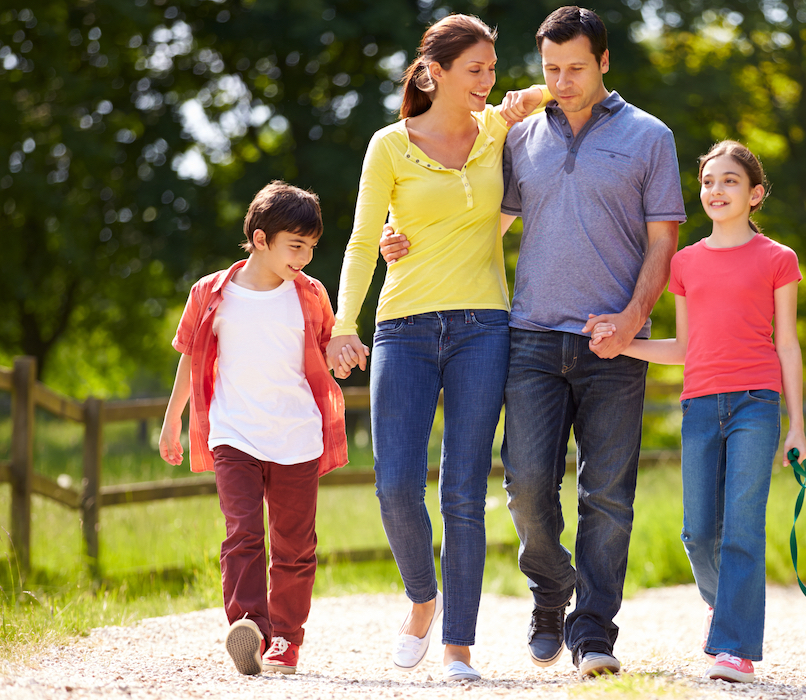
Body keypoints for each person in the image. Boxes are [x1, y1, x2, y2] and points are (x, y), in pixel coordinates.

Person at [381, 5, 685, 679]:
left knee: (607, 495)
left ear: (604, 63)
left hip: (616, 344)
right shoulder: (518, 139)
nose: (564, 80)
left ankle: (593, 632)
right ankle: (551, 586)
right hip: (531, 336)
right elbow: (482, 225)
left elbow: (664, 241)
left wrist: (634, 320)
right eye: (552, 69)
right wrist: (400, 243)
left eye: (577, 67)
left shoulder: (649, 137)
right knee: (524, 486)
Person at [324, 14, 549, 682]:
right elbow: (365, 240)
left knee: (463, 492)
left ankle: (458, 646)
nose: (489, 79)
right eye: (475, 69)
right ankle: (422, 598)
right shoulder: (390, 145)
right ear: (435, 73)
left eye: (492, 67)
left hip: (485, 326)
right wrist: (344, 322)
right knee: (395, 485)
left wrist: (523, 99)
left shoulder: (499, 129)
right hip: (405, 328)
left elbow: (561, 86)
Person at [590, 140, 806, 683]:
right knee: (697, 532)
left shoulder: (778, 259)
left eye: (730, 181)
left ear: (755, 194)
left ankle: (734, 648)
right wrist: (624, 342)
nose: (716, 190)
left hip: (756, 406)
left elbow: (788, 345)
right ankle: (723, 606)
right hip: (699, 405)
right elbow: (683, 350)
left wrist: (798, 426)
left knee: (741, 528)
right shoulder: (685, 263)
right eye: (709, 181)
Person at [158, 181, 349, 676]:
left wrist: (343, 353)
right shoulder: (211, 294)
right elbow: (189, 360)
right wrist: (172, 421)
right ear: (261, 239)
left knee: (294, 544)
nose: (305, 258)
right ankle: (248, 626)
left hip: (297, 435)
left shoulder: (310, 295)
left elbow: (328, 348)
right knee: (242, 532)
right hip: (233, 433)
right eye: (296, 246)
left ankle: (285, 637)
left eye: (311, 248)